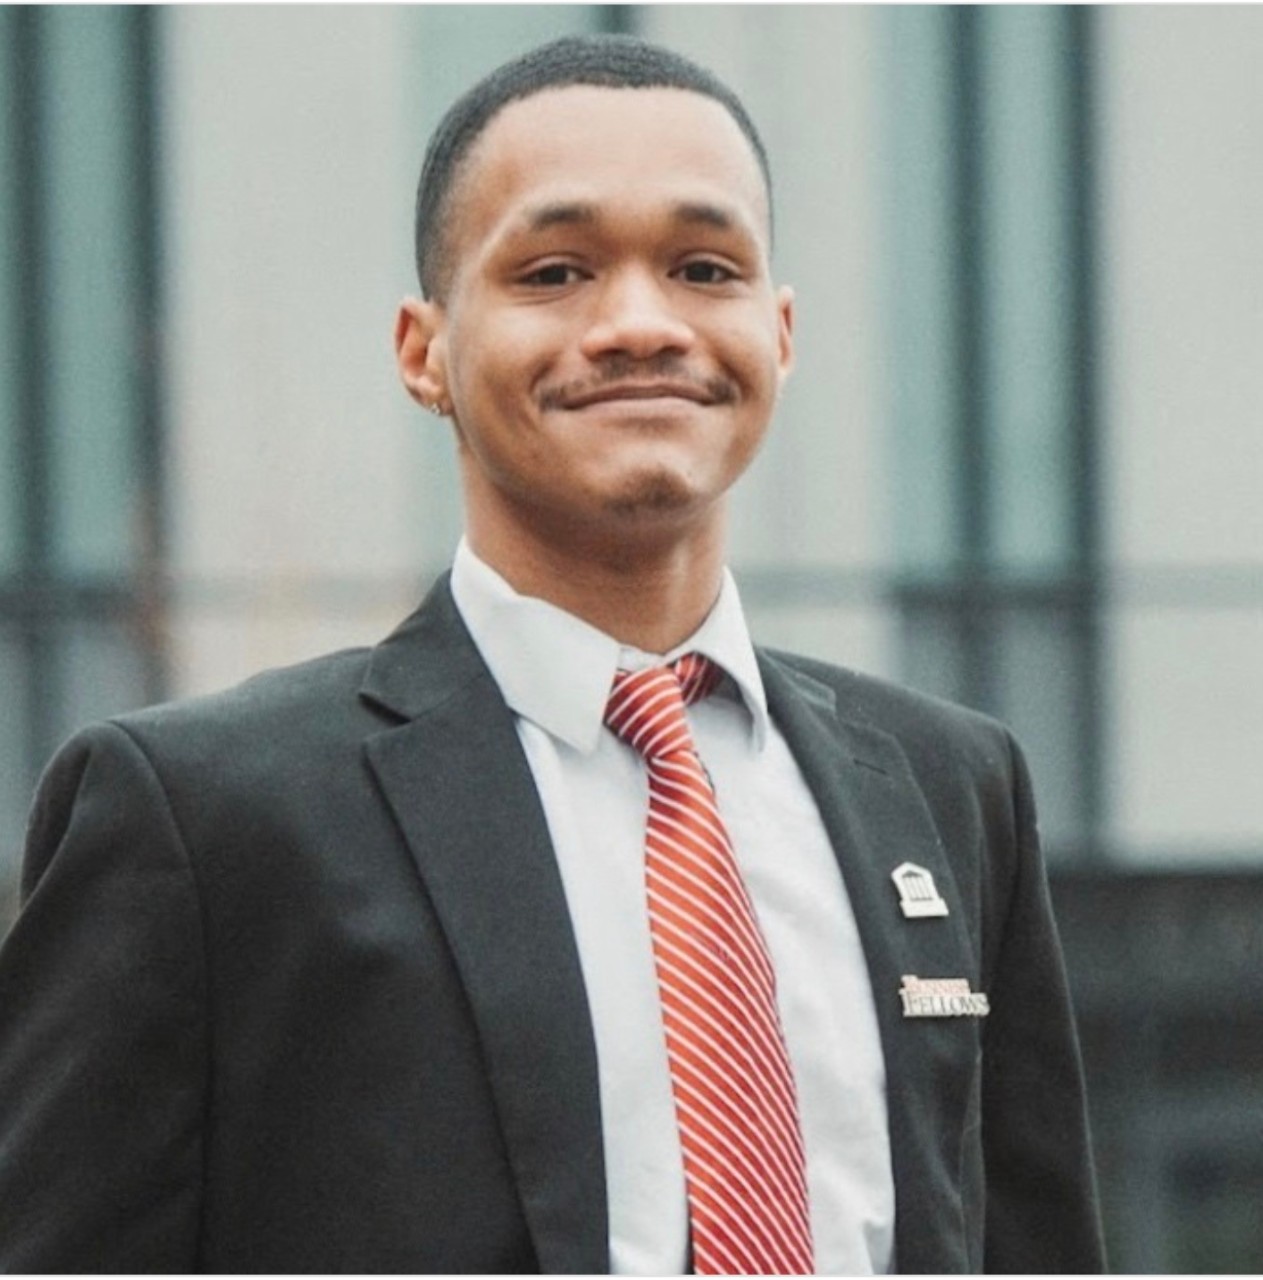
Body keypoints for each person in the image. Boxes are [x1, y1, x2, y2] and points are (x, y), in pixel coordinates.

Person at [0, 34, 1105, 1275]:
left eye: (703, 267)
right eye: (557, 270)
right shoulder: (199, 819)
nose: (641, 324)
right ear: (425, 350)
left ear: (780, 333)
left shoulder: (953, 786)